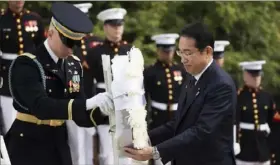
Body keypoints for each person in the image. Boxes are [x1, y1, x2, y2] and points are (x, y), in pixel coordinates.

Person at [5, 2, 113, 165]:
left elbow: (81, 115)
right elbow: (41, 106)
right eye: (67, 42)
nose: (71, 49)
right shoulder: (27, 63)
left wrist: (102, 110)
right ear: (50, 33)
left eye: (76, 43)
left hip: (59, 142)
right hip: (28, 144)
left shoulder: (73, 65)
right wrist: (87, 103)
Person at [124, 22, 237, 165]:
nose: (183, 59)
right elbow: (178, 124)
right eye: (181, 52)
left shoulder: (221, 85)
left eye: (188, 53)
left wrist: (155, 152)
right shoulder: (192, 77)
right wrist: (144, 138)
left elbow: (202, 131)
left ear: (208, 52)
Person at [86, 7, 132, 165]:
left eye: (120, 25)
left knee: (127, 154)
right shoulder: (94, 53)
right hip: (104, 107)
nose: (117, 29)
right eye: (113, 26)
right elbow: (88, 85)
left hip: (126, 108)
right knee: (107, 155)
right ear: (105, 27)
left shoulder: (130, 51)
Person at [0, 0, 45, 136]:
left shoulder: (34, 19)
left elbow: (42, 48)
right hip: (7, 75)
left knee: (34, 119)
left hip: (31, 74)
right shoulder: (2, 19)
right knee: (10, 121)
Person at [66, 3, 103, 165]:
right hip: (72, 98)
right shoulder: (65, 41)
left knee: (91, 141)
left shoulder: (97, 42)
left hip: (93, 97)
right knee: (76, 144)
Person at [235, 60, 274, 165]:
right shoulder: (238, 97)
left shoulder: (267, 97)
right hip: (244, 148)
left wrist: (273, 146)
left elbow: (272, 123)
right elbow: (233, 123)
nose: (257, 78)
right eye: (253, 75)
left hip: (263, 148)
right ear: (245, 76)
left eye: (258, 75)